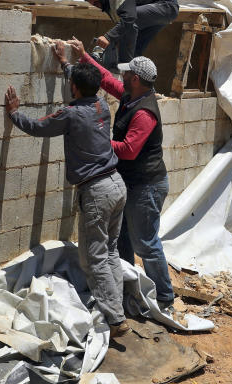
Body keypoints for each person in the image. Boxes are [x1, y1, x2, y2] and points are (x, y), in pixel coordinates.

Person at [3, 53, 129, 336]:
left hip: (96, 191)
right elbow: (85, 83)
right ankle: (117, 308)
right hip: (117, 184)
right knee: (110, 251)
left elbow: (39, 127)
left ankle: (117, 319)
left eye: (72, 81)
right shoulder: (102, 105)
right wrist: (65, 64)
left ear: (74, 87)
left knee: (93, 258)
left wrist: (14, 114)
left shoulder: (70, 114)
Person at [65, 39, 175, 311]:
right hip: (130, 183)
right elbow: (105, 81)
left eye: (126, 74)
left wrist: (97, 139)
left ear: (135, 78)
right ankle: (129, 291)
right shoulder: (131, 95)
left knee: (145, 244)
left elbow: (128, 150)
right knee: (122, 240)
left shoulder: (145, 113)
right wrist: (83, 58)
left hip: (146, 186)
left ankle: (164, 298)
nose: (121, 77)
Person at [77, 0, 180, 65]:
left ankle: (124, 68)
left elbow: (129, 18)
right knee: (134, 50)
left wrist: (108, 37)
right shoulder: (110, 6)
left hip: (167, 6)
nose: (91, 2)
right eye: (87, 0)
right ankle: (134, 76)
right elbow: (123, 28)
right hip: (157, 13)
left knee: (130, 22)